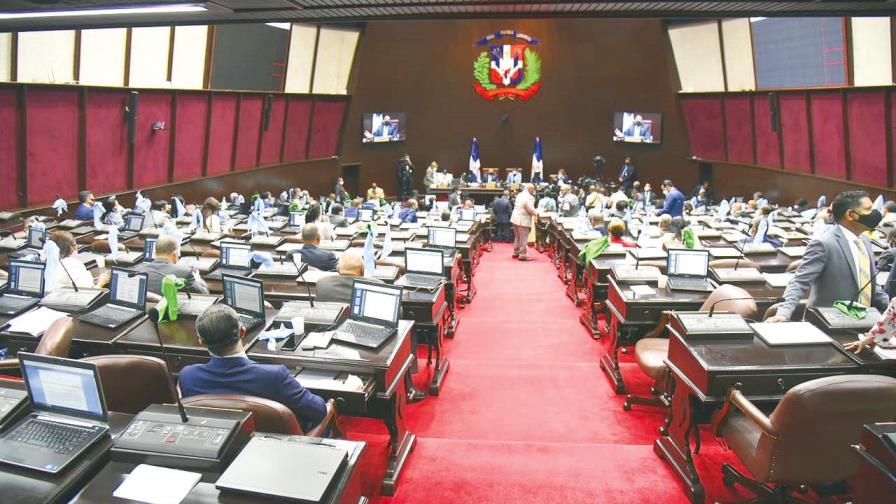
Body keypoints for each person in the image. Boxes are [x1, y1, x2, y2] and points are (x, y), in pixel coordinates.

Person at [179, 305, 327, 433]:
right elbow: (319, 411)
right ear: (242, 332)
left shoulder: (188, 376)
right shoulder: (274, 376)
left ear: (201, 342)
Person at [768, 191, 888, 323]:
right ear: (850, 215)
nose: (875, 213)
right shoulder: (823, 243)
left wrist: (890, 306)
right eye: (868, 209)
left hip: (866, 320)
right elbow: (799, 281)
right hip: (830, 322)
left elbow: (871, 283)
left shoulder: (864, 240)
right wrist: (783, 313)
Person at [134, 235, 209, 295]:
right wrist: (198, 279)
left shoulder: (138, 271)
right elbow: (204, 294)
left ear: (155, 253)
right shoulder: (185, 272)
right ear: (174, 254)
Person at [510, 184, 538, 261]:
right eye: (533, 190)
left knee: (517, 237)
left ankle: (516, 251)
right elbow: (530, 209)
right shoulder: (529, 197)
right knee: (524, 237)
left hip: (515, 218)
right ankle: (523, 254)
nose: (533, 191)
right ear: (530, 189)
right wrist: (537, 213)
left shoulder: (519, 194)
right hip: (523, 220)